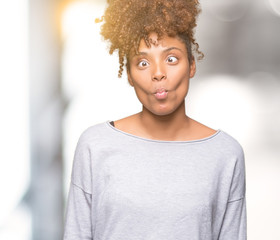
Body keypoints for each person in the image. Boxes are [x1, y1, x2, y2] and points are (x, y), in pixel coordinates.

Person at [63, 0, 247, 239]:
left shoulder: (225, 154)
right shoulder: (95, 145)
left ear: (191, 65)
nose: (158, 73)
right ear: (129, 75)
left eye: (171, 59)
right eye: (143, 62)